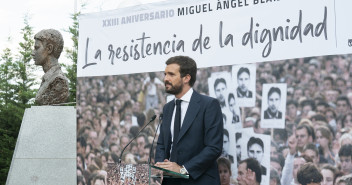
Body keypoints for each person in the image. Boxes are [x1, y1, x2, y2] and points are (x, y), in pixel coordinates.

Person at [155, 56, 223, 185]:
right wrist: (160, 166)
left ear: (186, 78)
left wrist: (183, 170)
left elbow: (214, 147)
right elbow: (162, 144)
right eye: (165, 74)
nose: (165, 79)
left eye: (171, 74)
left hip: (199, 180)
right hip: (170, 182)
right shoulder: (168, 108)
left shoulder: (208, 105)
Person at [31, 29, 69, 105]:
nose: (33, 53)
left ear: (49, 49)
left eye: (37, 48)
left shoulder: (58, 80)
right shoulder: (48, 78)